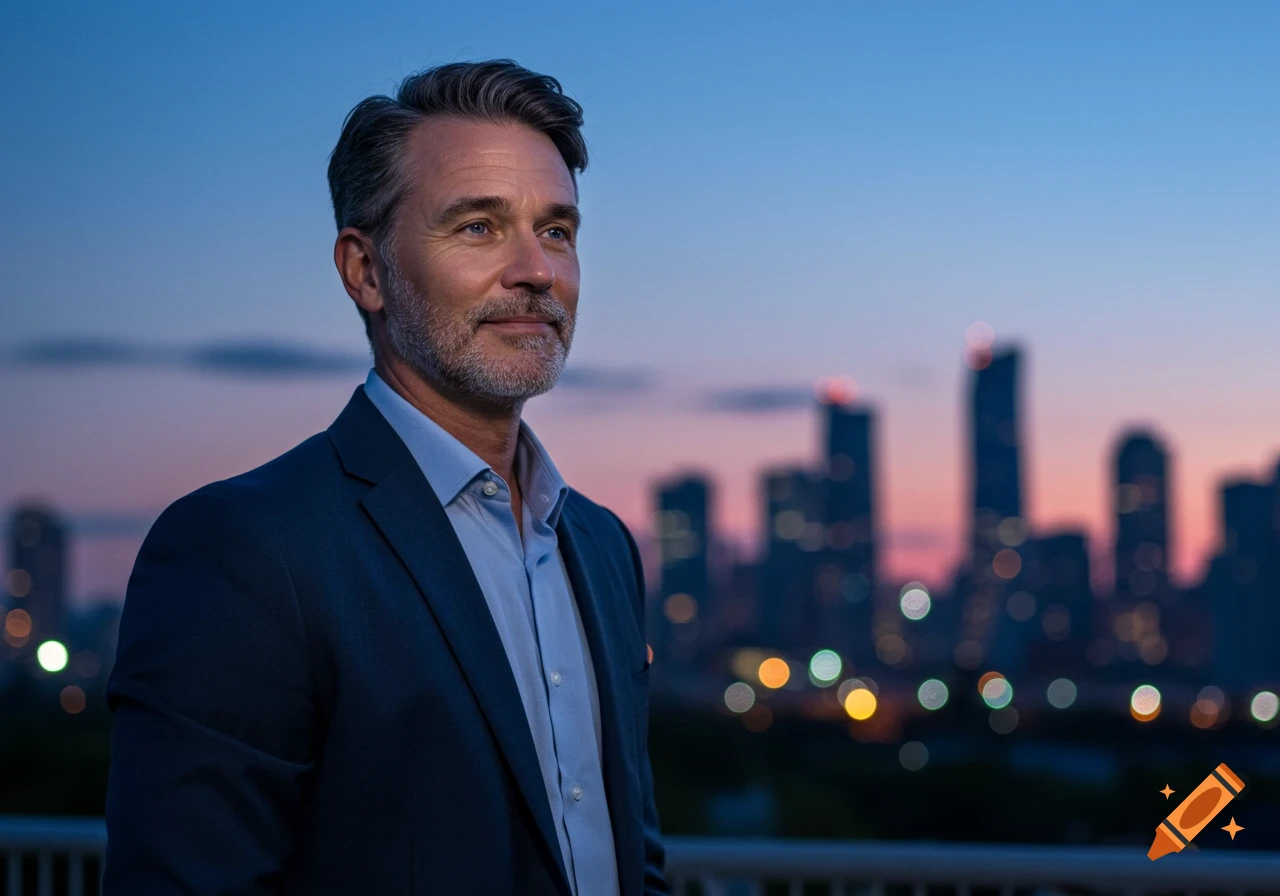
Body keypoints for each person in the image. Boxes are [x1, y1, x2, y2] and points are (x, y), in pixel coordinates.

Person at [103, 59, 669, 896]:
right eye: (478, 227)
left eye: (556, 230)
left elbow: (630, 860)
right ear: (364, 271)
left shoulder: (601, 545)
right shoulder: (246, 550)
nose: (536, 269)